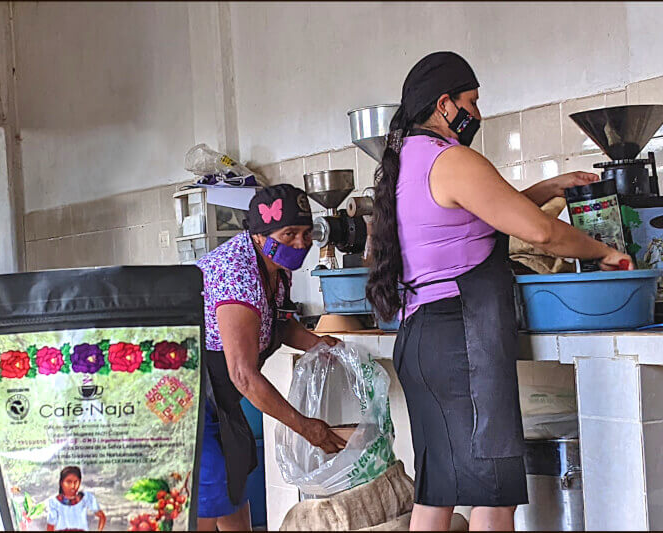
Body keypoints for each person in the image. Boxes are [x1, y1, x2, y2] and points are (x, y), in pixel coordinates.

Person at [366, 51, 633, 532]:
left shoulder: (407, 160)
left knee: (437, 494)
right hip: (462, 343)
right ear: (445, 104)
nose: (478, 113)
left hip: (422, 340)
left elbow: (475, 216)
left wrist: (548, 186)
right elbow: (542, 234)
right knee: (493, 497)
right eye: (472, 101)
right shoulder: (452, 159)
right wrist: (603, 253)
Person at [195, 184, 346, 531]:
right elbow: (244, 376)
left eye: (306, 234)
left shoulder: (275, 268)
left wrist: (319, 344)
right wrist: (306, 427)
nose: (300, 243)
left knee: (233, 478)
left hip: (220, 396)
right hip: (189, 393)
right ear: (260, 235)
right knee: (208, 487)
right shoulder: (239, 275)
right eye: (289, 233)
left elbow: (276, 321)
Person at [46, 466, 106, 531]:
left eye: (76, 482)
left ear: (80, 482)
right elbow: (50, 526)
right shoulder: (54, 502)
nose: (73, 486)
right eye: (68, 482)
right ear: (61, 483)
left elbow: (102, 517)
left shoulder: (86, 497)